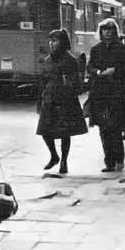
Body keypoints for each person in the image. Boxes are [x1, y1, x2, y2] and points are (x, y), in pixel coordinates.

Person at [86, 18, 125, 172]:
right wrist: (97, 72)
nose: (107, 32)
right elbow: (90, 67)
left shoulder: (122, 49)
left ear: (115, 31)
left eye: (110, 30)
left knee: (114, 127)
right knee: (103, 128)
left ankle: (119, 158)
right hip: (100, 93)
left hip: (116, 93)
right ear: (100, 32)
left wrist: (115, 71)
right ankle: (109, 161)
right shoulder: (96, 49)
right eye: (104, 30)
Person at [36, 29, 87, 175]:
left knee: (65, 133)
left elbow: (74, 82)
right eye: (50, 41)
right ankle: (54, 155)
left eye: (55, 40)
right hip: (49, 99)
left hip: (65, 100)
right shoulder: (48, 60)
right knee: (44, 131)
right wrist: (40, 99)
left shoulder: (70, 60)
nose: (52, 44)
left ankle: (64, 161)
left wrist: (68, 88)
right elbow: (43, 81)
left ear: (63, 42)